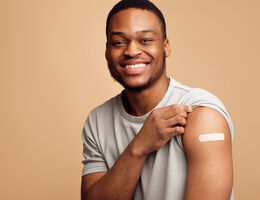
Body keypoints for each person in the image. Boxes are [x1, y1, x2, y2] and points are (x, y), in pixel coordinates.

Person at [81, 0, 234, 199]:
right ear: (107, 51)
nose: (131, 51)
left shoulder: (202, 115)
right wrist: (139, 146)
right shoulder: (97, 121)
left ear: (166, 47)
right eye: (119, 42)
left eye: (145, 40)